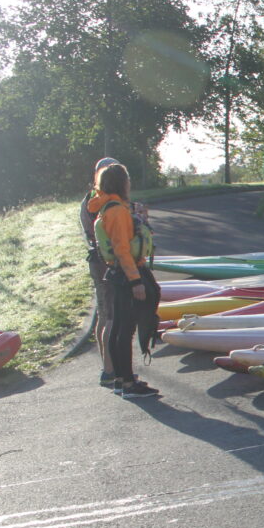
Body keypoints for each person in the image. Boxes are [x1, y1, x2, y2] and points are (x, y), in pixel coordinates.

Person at [88, 162, 160, 398]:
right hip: (124, 275)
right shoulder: (117, 211)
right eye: (127, 180)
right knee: (124, 330)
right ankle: (128, 383)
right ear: (122, 183)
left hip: (115, 275)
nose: (130, 183)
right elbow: (122, 249)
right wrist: (135, 281)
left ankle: (120, 379)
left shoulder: (108, 206)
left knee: (119, 327)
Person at [81, 156, 121, 386]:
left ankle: (107, 363)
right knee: (112, 317)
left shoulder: (90, 200)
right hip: (107, 262)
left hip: (96, 261)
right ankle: (109, 369)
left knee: (104, 314)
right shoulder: (101, 201)